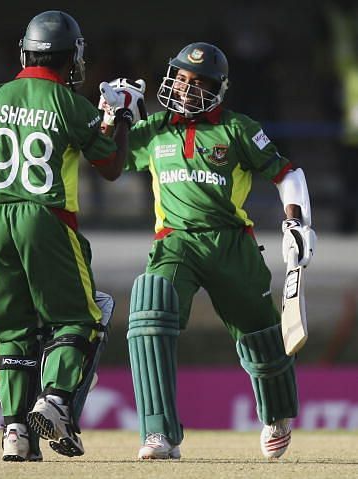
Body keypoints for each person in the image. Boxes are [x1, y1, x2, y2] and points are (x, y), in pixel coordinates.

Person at [100, 42, 316, 460]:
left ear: (218, 88)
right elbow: (106, 161)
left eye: (197, 82)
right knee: (149, 311)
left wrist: (296, 222)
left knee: (263, 341)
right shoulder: (155, 129)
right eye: (180, 78)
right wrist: (114, 119)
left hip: (231, 242)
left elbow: (287, 173)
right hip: (175, 242)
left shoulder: (238, 128)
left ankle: (276, 413)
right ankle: (159, 433)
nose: (184, 88)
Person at [0, 11, 139, 461]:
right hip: (44, 218)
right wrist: (121, 119)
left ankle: (14, 430)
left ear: (27, 52)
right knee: (78, 319)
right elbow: (111, 168)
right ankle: (55, 399)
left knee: (12, 327)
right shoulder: (70, 104)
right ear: (71, 59)